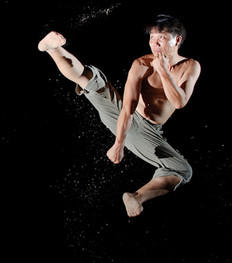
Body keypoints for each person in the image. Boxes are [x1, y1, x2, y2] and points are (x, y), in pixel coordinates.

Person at [38, 15, 201, 217]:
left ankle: (136, 197)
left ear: (177, 40)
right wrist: (119, 144)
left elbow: (179, 102)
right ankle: (53, 48)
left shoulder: (191, 66)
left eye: (161, 37)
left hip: (149, 131)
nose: (154, 43)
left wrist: (164, 72)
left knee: (182, 170)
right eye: (151, 38)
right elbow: (128, 108)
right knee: (94, 80)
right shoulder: (141, 64)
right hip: (127, 118)